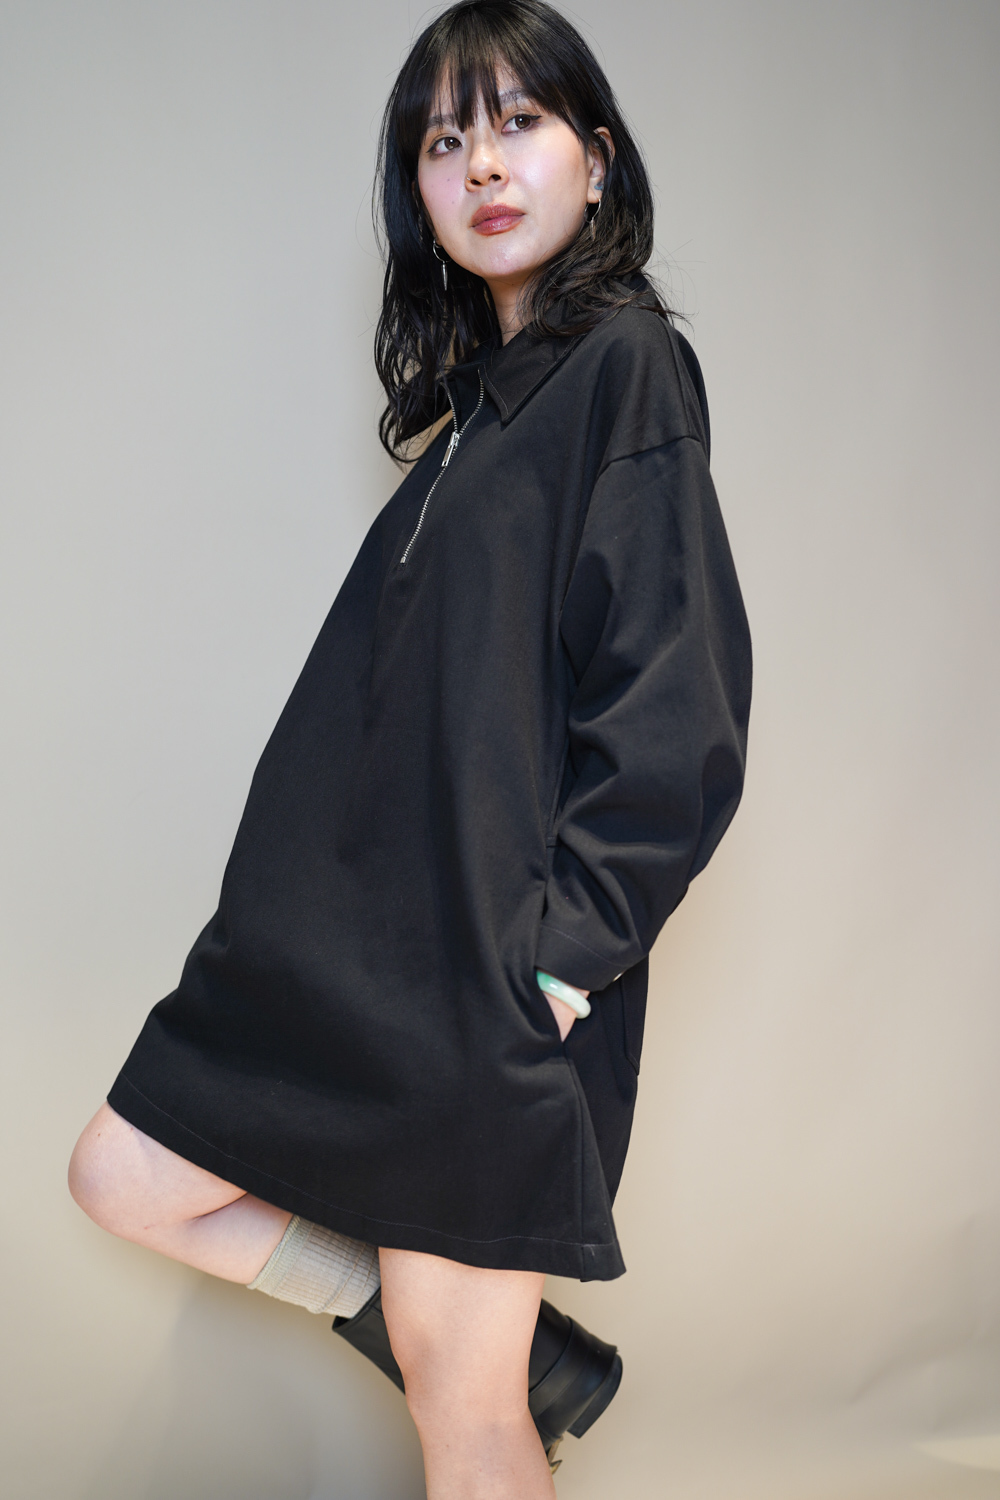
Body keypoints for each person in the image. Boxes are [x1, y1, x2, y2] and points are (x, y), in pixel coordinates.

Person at [68, 1, 752, 1494]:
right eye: (445, 140)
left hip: (489, 992)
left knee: (465, 1420)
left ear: (597, 160)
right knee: (122, 1175)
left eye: (519, 123)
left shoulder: (625, 367)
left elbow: (676, 707)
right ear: (418, 191)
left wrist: (559, 966)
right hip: (358, 981)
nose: (482, 164)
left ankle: (499, 1369)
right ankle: (499, 1352)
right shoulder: (467, 428)